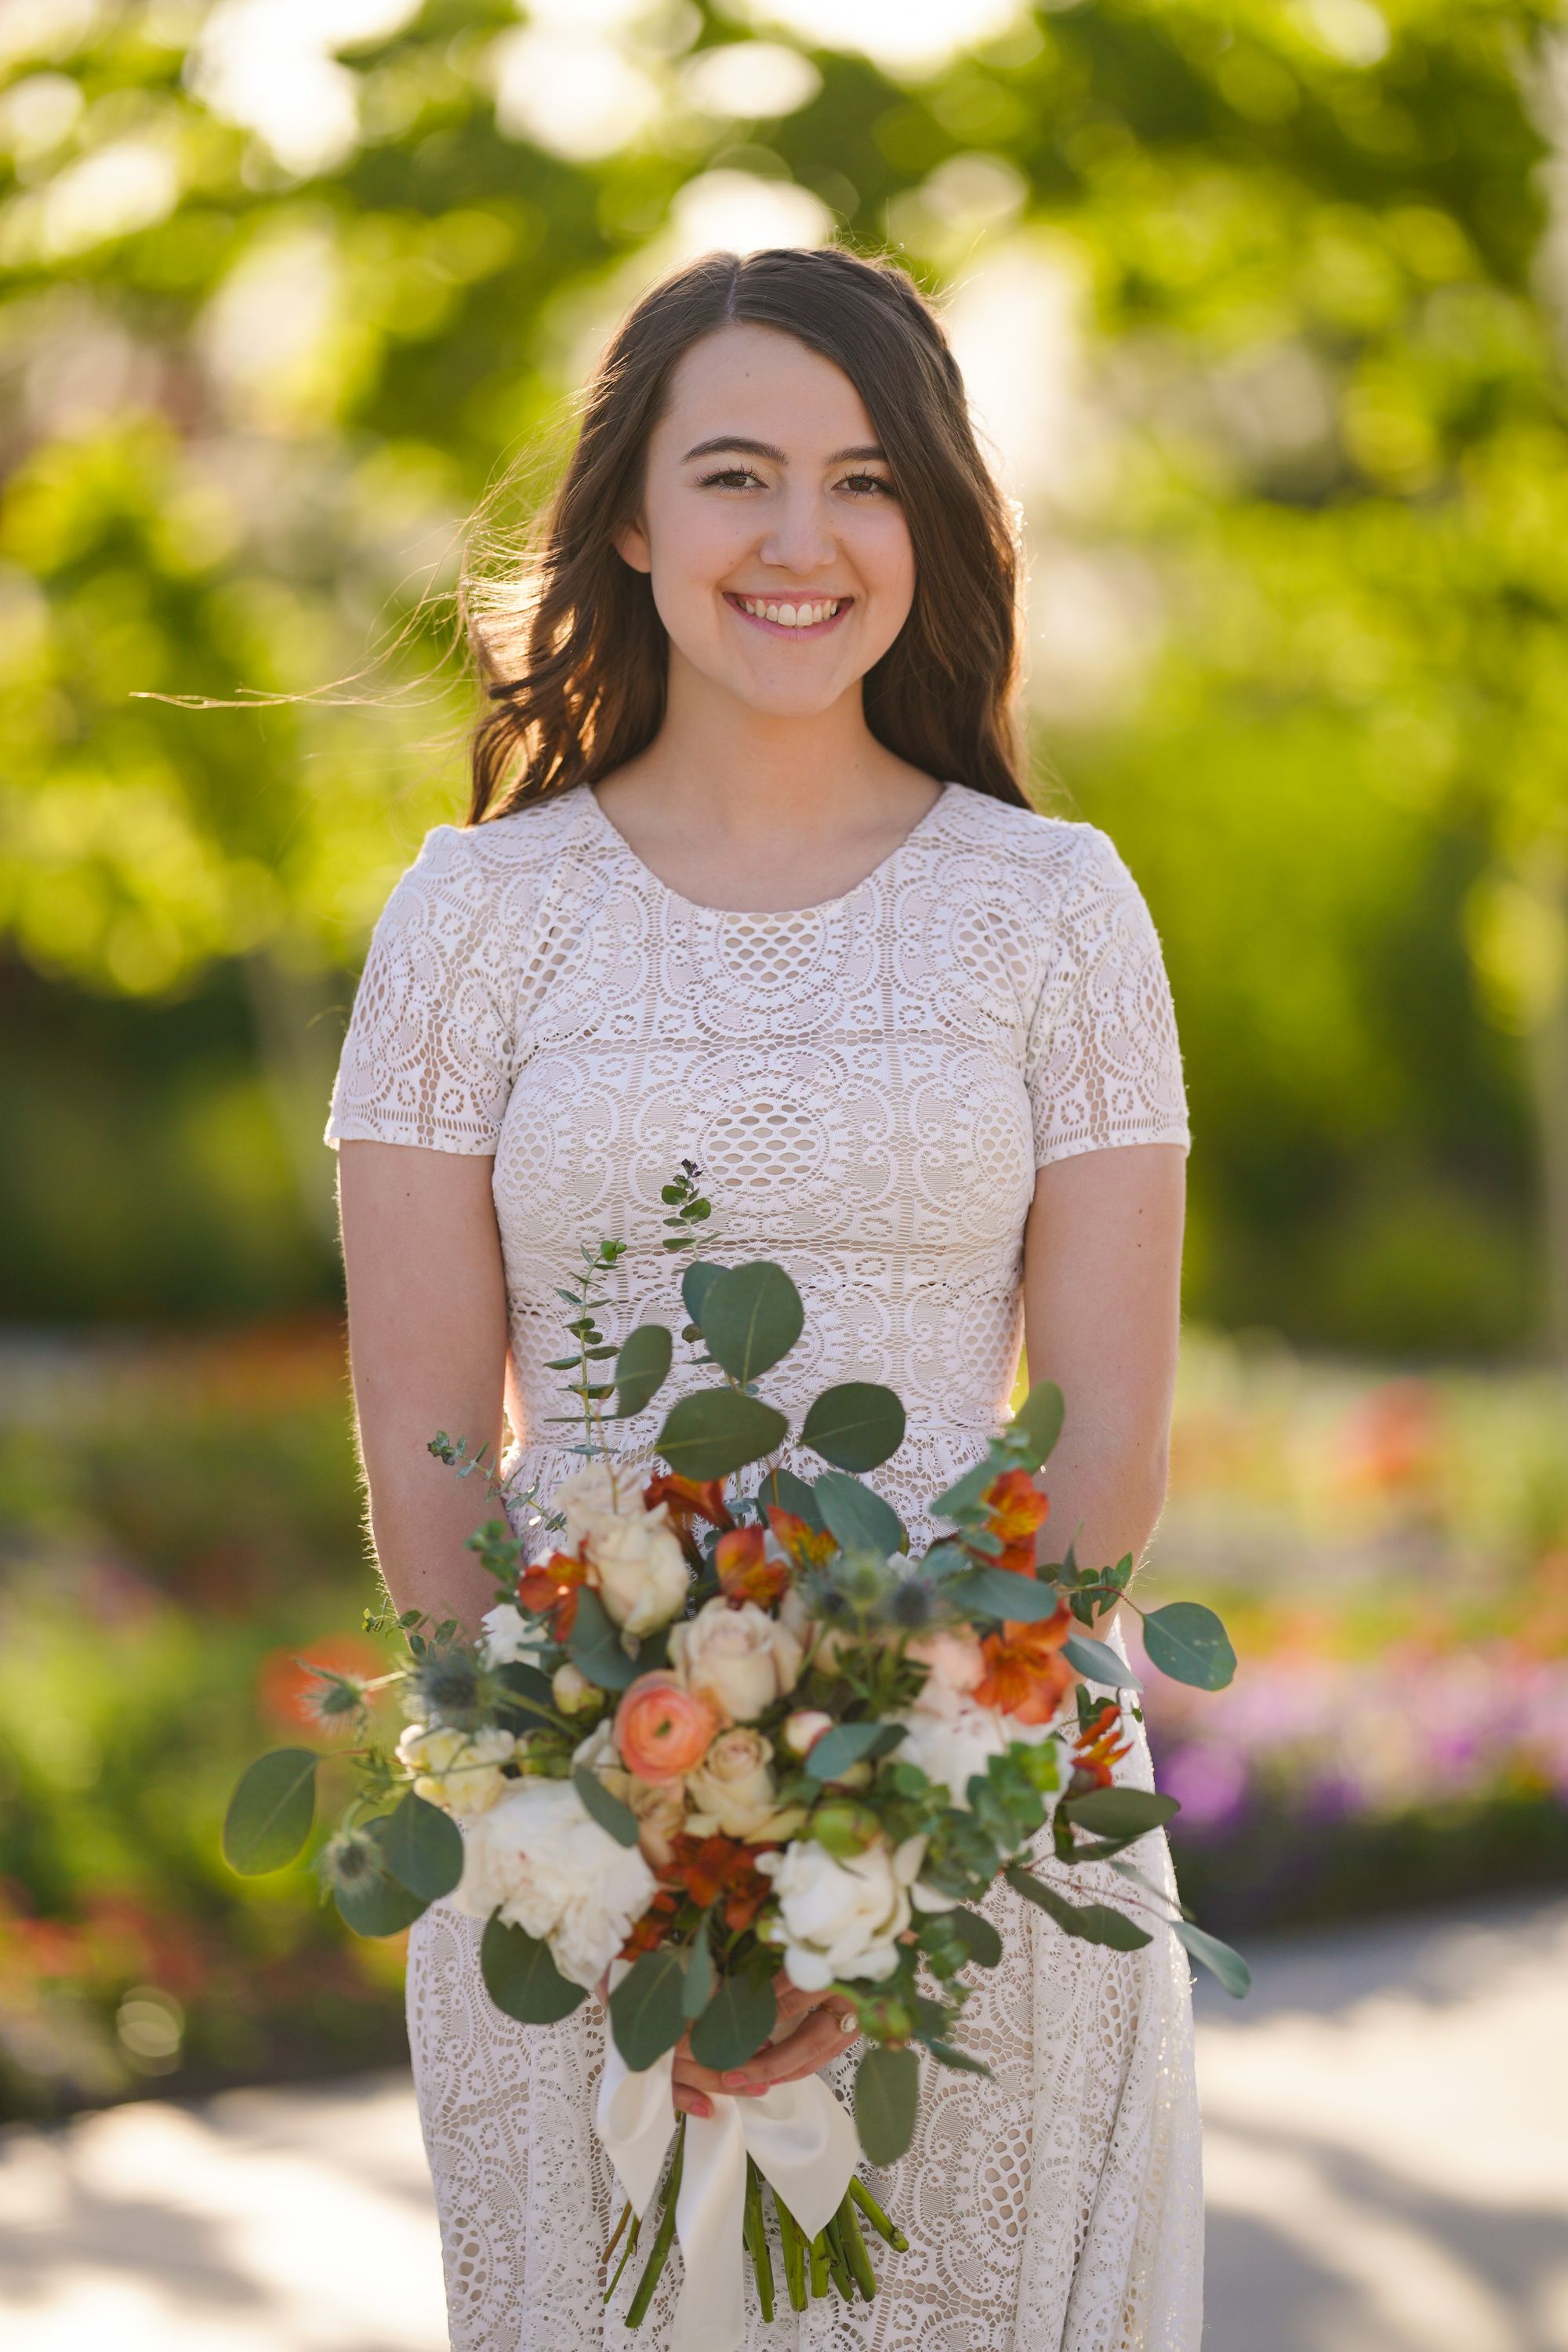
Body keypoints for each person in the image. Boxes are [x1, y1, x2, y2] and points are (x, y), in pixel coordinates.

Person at [325, 244, 1201, 2352]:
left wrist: (875, 1829)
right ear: (631, 517)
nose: (803, 541)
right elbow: (434, 1461)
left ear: (936, 527)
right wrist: (619, 1845)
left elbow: (1094, 1454)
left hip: (990, 1863)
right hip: (568, 1861)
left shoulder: (1057, 913)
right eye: (739, 475)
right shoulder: (474, 926)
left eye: (868, 480)